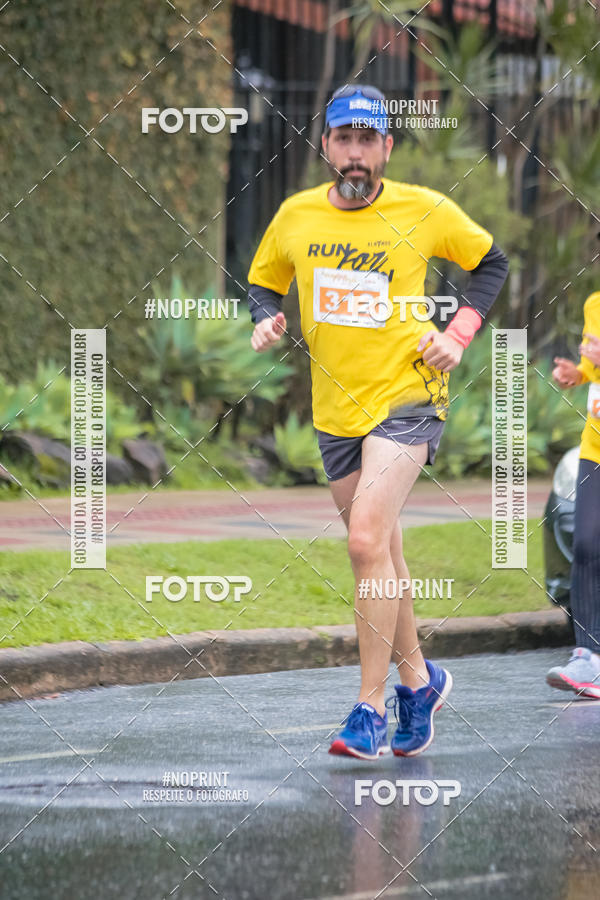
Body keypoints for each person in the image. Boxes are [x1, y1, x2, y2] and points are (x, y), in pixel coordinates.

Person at [246, 84, 509, 759]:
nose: (357, 152)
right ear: (327, 146)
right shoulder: (298, 216)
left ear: (387, 147)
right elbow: (263, 277)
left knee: (364, 541)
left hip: (410, 395)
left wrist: (460, 332)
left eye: (369, 139)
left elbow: (490, 263)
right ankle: (420, 681)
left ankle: (368, 709)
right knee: (383, 552)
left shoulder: (424, 209)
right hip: (336, 409)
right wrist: (264, 316)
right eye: (345, 139)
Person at [547, 291, 600, 698]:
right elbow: (590, 363)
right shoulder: (594, 303)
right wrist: (577, 373)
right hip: (594, 449)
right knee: (585, 546)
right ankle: (588, 657)